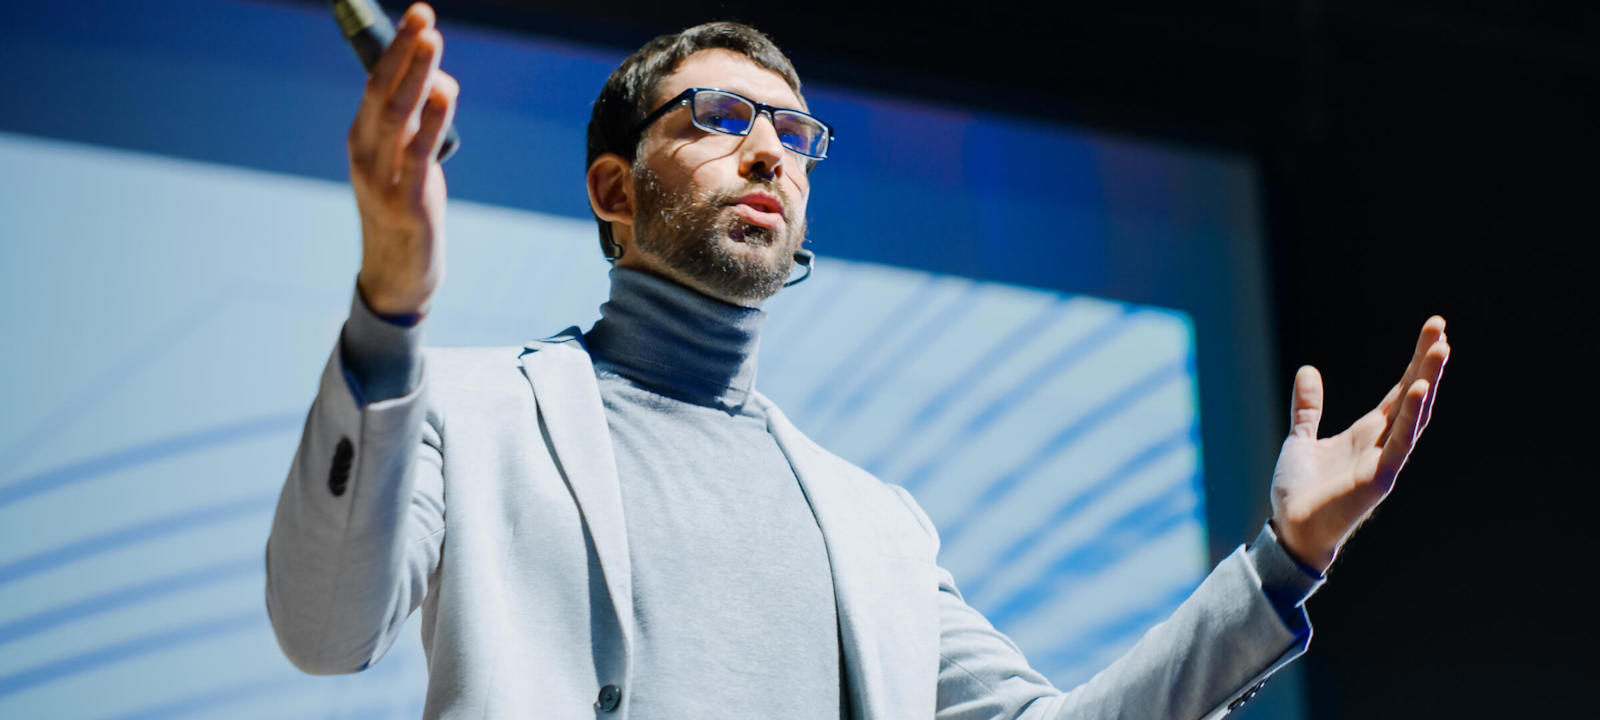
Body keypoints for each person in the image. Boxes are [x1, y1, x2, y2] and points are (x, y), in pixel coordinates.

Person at [265, 4, 1452, 718]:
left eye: (792, 132)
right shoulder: (470, 415)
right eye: (718, 119)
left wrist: (1282, 562)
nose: (768, 152)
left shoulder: (874, 525)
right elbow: (323, 629)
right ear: (614, 194)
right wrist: (390, 302)